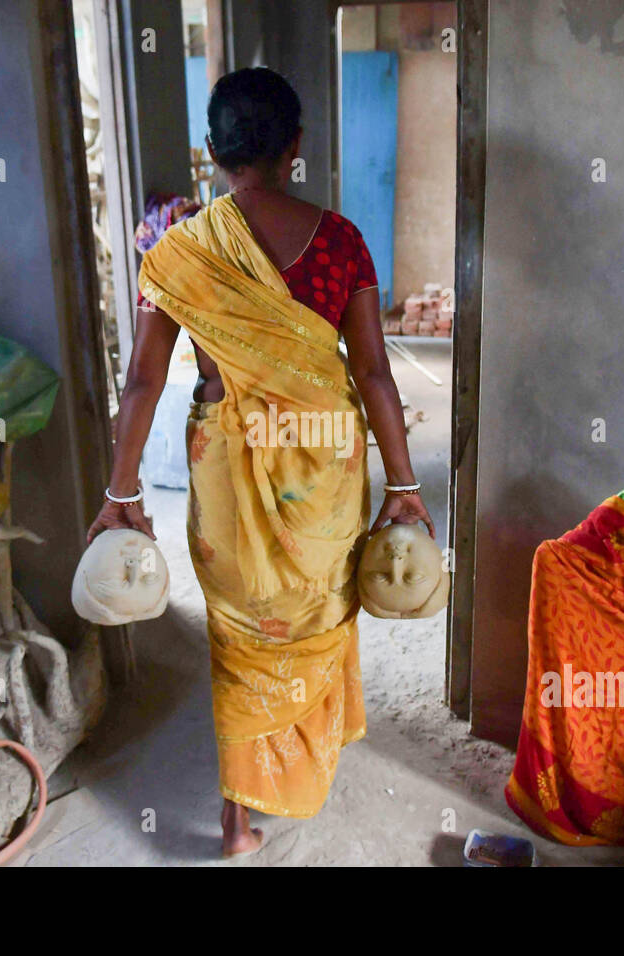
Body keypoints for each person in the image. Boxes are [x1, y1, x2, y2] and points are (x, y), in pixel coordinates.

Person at [88, 66, 433, 858]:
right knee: (315, 606)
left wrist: (121, 490)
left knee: (242, 632)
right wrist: (405, 484)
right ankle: (305, 760)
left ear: (213, 151)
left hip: (227, 466)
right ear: (296, 147)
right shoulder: (342, 241)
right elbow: (376, 373)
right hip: (325, 466)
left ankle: (237, 823)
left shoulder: (179, 252)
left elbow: (141, 381)